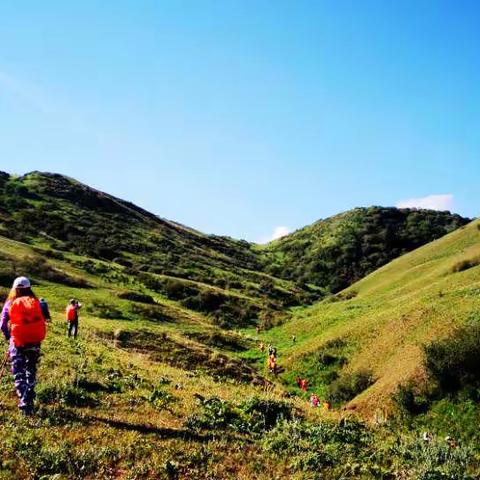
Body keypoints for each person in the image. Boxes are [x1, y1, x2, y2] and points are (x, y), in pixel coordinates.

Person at [0, 276, 47, 415]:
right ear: (29, 288)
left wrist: (10, 337)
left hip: (18, 341)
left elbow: (2, 325)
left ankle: (25, 404)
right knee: (31, 369)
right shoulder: (36, 302)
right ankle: (29, 396)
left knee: (18, 372)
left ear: (15, 289)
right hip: (34, 340)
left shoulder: (10, 303)